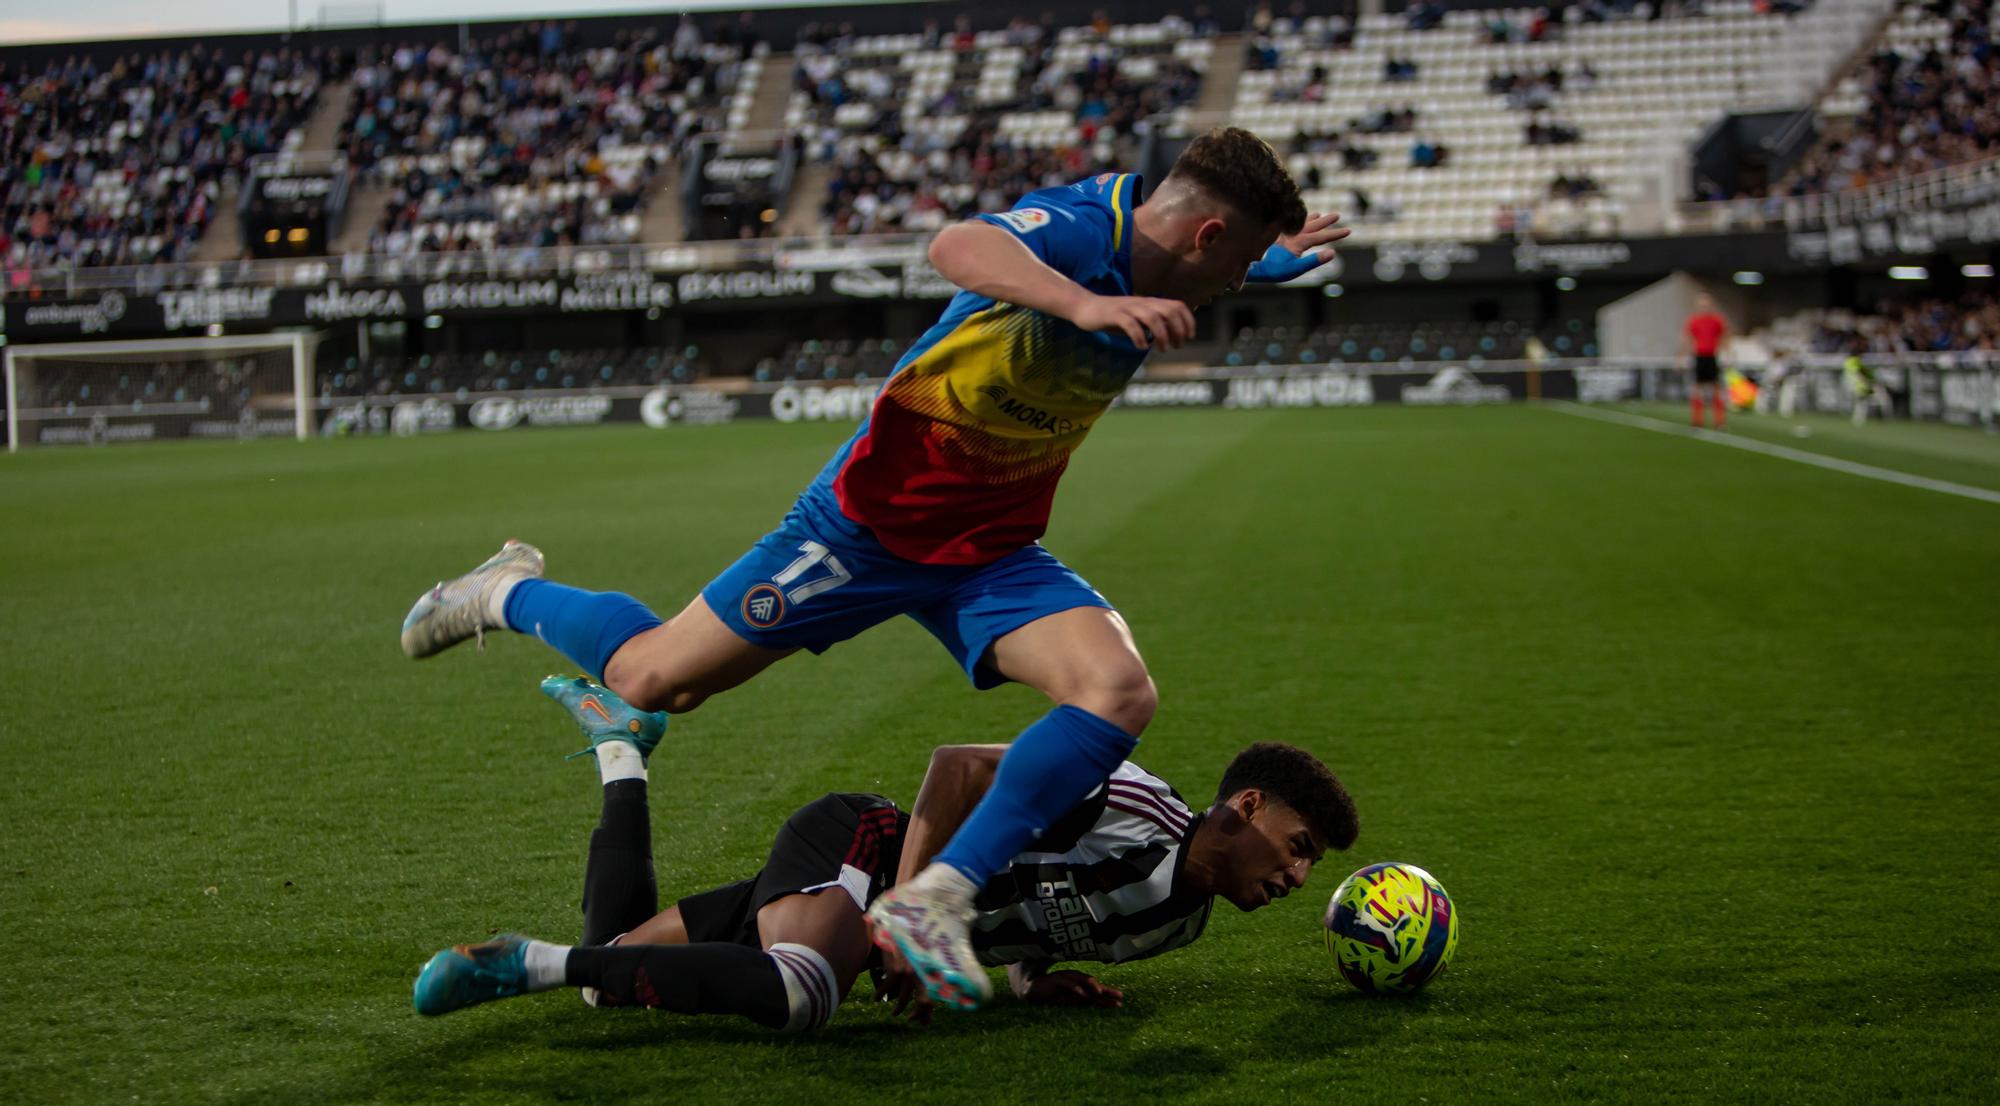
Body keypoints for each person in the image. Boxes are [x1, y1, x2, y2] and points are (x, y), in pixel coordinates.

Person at [397, 129, 1350, 1014]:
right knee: (651, 677)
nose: (1230, 287)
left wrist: (1270, 254)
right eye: (1234, 262)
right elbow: (954, 247)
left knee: (1117, 692)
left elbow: (1196, 258)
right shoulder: (1075, 230)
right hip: (865, 534)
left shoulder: (1176, 253)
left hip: (989, 552)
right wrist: (1083, 302)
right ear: (1207, 230)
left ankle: (935, 894)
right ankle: (500, 589)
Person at [412, 677, 1361, 1030]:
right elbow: (955, 771)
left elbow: (1039, 911)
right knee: (801, 991)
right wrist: (909, 914)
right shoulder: (1124, 799)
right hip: (864, 842)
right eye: (1299, 845)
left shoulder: (1181, 924)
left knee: (617, 967)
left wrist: (1033, 981)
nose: (1297, 875)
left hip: (872, 906)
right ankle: (520, 962)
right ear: (1244, 806)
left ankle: (620, 748)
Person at [1683, 293, 1729, 428]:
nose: (1704, 307)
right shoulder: (1694, 321)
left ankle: (1719, 421)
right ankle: (1697, 421)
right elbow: (1687, 339)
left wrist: (1728, 354)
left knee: (1716, 388)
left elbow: (1725, 337)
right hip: (1699, 356)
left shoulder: (1717, 320)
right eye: (1702, 304)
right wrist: (1682, 356)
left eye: (1707, 304)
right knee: (1697, 389)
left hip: (1712, 356)